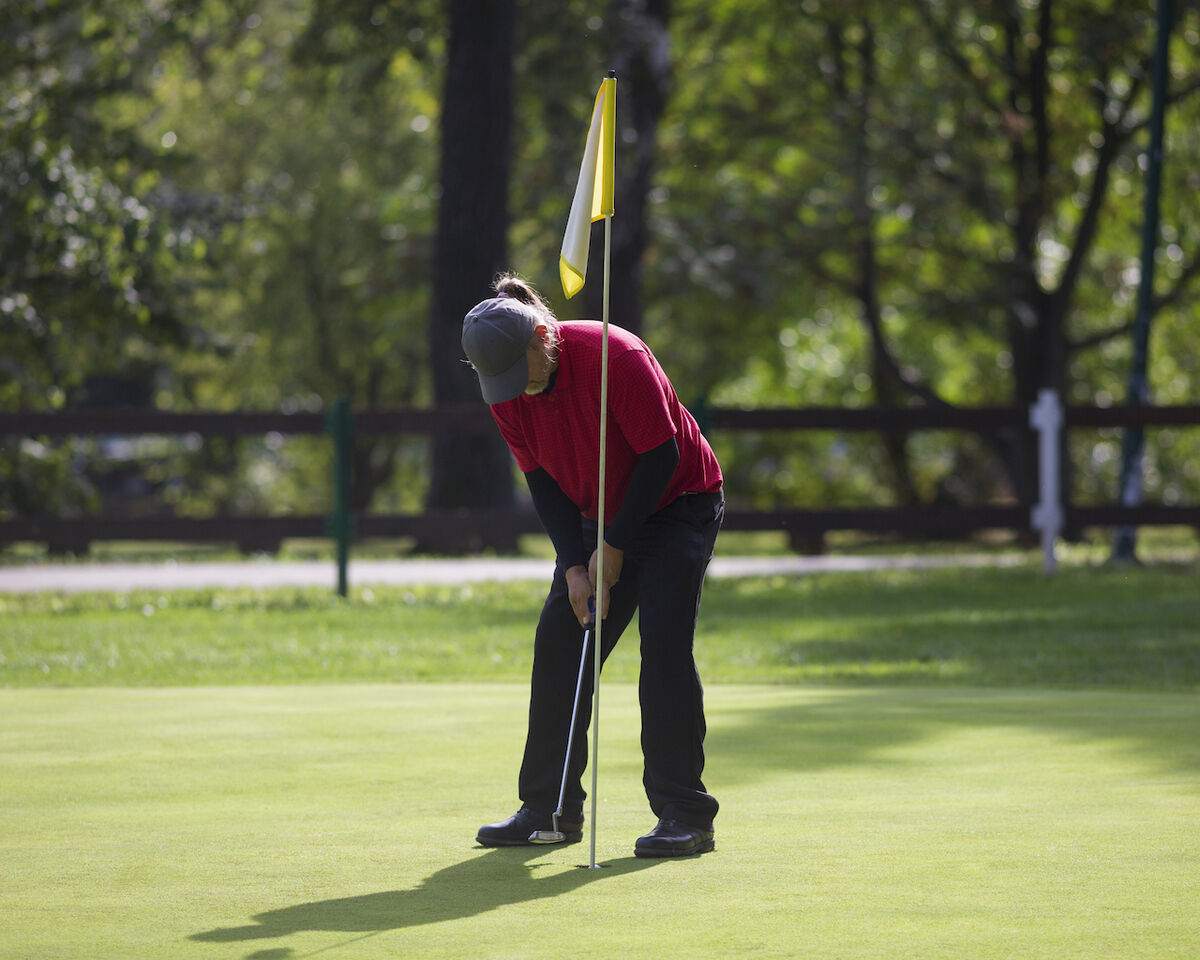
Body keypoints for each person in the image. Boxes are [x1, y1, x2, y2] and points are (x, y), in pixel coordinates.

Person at [461, 273, 724, 858]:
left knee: (663, 650)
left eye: (517, 372)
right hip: (592, 513)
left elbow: (662, 456)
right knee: (560, 643)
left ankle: (685, 814)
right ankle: (548, 809)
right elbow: (541, 482)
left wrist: (616, 544)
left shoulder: (615, 355)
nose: (513, 390)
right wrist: (575, 565)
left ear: (540, 342)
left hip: (677, 502)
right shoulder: (506, 390)